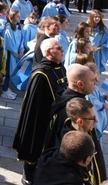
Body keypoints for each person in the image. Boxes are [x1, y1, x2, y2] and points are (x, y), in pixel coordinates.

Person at [13, 38, 67, 185]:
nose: (62, 50)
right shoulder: (41, 74)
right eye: (59, 48)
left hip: (55, 119)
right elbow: (35, 106)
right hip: (41, 120)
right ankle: (28, 177)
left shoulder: (60, 67)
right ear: (49, 52)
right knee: (35, 148)